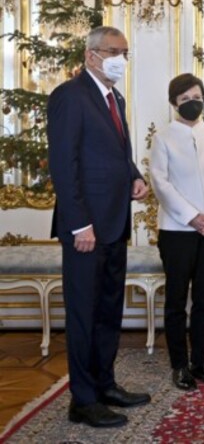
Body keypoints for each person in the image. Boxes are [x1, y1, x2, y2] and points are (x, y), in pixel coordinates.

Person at [47, 25, 151, 428]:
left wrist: (134, 174)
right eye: (115, 51)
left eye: (125, 52)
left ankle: (105, 384)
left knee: (109, 310)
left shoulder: (114, 97)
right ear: (92, 54)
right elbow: (64, 164)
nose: (121, 59)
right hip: (86, 229)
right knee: (84, 314)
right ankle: (83, 399)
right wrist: (79, 225)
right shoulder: (69, 96)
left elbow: (114, 148)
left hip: (114, 222)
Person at [150, 73, 204, 391]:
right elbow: (161, 183)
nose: (192, 103)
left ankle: (201, 361)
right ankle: (179, 365)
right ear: (174, 103)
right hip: (177, 230)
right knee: (176, 299)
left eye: (196, 97)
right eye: (185, 99)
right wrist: (192, 217)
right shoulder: (163, 138)